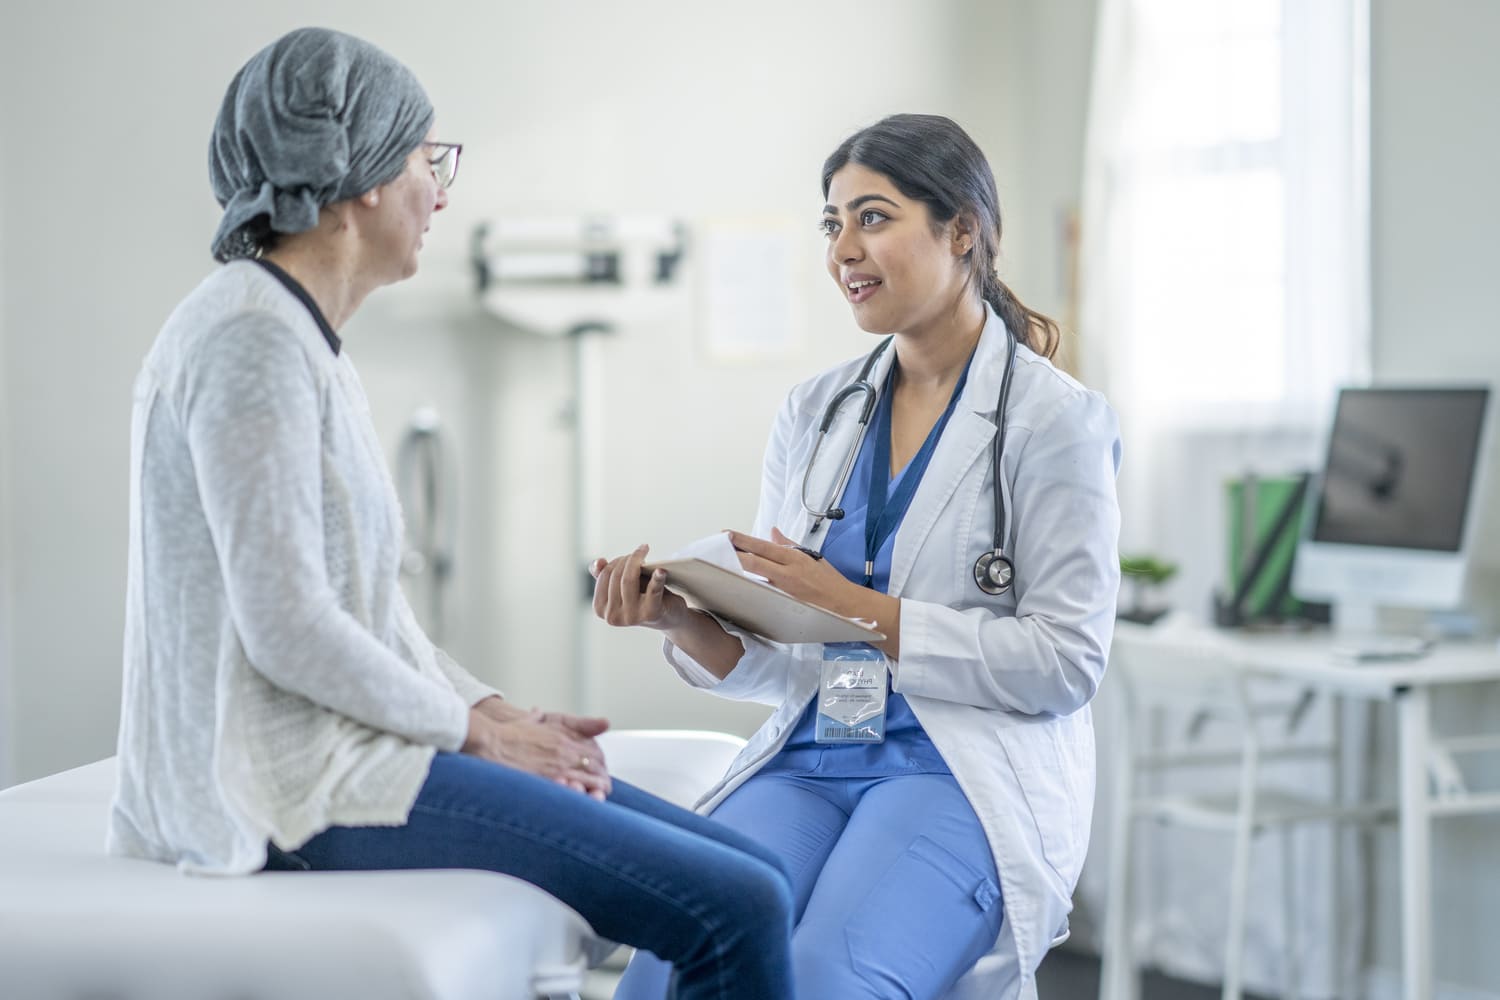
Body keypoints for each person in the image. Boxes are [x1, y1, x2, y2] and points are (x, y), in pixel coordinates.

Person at [106, 27, 796, 1000]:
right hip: (285, 791)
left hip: (335, 758)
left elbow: (366, 615)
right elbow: (289, 629)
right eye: (432, 161)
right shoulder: (249, 341)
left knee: (759, 875)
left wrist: (487, 707)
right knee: (742, 907)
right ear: (361, 182)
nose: (444, 190)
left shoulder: (299, 337)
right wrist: (480, 739)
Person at [592, 113, 1121, 1000]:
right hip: (815, 751)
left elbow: (1066, 665)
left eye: (872, 217)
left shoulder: (1055, 421)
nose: (844, 247)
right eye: (832, 223)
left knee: (822, 980)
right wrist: (685, 617)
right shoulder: (816, 413)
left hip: (958, 768)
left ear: (963, 231)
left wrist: (857, 609)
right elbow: (784, 658)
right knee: (673, 969)